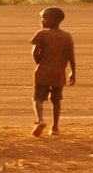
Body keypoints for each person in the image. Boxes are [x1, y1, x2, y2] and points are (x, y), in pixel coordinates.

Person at [31, 7, 78, 137]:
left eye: (44, 18)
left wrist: (39, 61)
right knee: (56, 100)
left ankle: (40, 120)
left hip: (43, 73)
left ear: (54, 20)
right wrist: (73, 72)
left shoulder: (42, 34)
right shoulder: (67, 36)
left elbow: (35, 52)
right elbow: (70, 55)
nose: (42, 21)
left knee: (38, 98)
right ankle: (55, 127)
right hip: (59, 74)